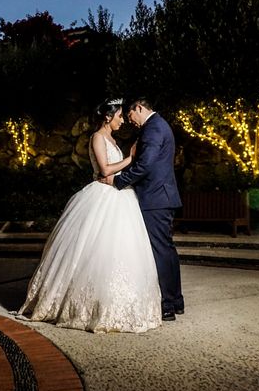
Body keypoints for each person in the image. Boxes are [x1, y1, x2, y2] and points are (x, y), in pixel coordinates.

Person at [15, 98, 162, 333]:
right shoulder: (97, 137)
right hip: (102, 195)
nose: (122, 120)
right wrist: (130, 159)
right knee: (94, 249)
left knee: (122, 249)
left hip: (120, 196)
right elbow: (104, 169)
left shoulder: (112, 139)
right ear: (108, 117)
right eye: (120, 116)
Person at [102, 97, 184, 321]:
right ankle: (175, 300)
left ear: (139, 108)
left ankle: (167, 305)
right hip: (161, 197)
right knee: (166, 250)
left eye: (131, 116)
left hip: (156, 199)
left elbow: (146, 163)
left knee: (160, 251)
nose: (132, 121)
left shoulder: (153, 127)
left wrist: (119, 181)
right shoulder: (157, 125)